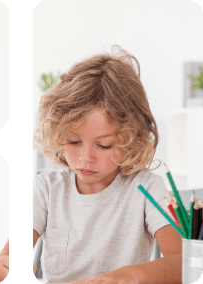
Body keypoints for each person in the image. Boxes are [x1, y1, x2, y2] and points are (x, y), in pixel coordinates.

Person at [32, 46, 181, 283]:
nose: (85, 158)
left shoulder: (146, 189)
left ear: (132, 140)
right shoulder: (46, 189)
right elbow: (6, 256)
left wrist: (129, 276)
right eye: (73, 141)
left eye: (103, 145)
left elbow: (181, 262)